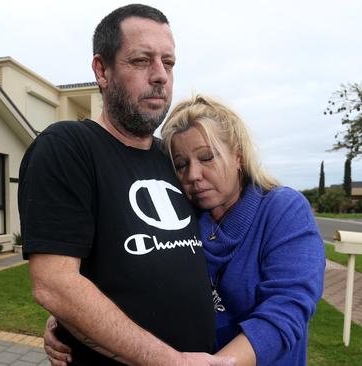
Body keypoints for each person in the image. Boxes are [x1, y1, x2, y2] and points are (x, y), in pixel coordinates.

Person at [18, 4, 235, 366]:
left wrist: (72, 317)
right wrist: (174, 362)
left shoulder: (174, 160)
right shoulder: (67, 147)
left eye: (168, 62)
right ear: (102, 70)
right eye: (141, 61)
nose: (160, 76)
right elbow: (55, 284)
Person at [44, 95, 325, 366]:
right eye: (181, 164)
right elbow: (130, 280)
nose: (193, 175)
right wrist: (71, 322)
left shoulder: (283, 210)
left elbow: (286, 311)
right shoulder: (179, 215)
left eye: (206, 158)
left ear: (237, 154)